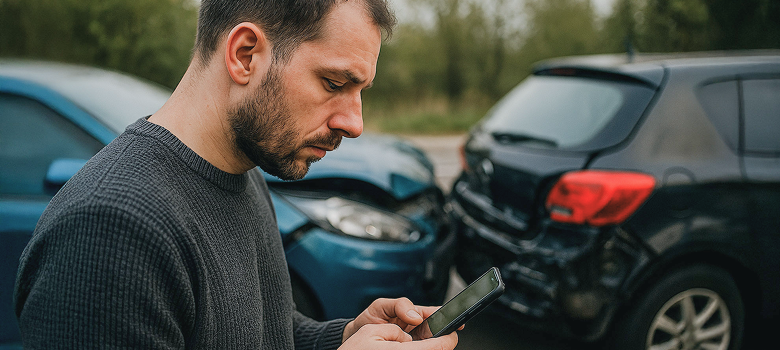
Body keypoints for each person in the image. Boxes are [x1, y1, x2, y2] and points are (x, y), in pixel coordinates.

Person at [13, 0, 459, 349]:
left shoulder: (243, 170)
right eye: (334, 84)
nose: (354, 123)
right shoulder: (111, 232)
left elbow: (266, 332)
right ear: (245, 55)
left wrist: (342, 338)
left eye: (360, 91)